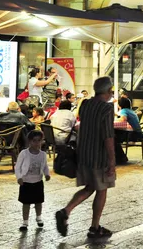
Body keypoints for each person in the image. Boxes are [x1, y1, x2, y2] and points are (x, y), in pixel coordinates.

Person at [55, 76, 116, 239]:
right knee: (102, 189)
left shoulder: (86, 104)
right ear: (108, 90)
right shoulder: (107, 108)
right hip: (99, 156)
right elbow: (108, 136)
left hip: (84, 153)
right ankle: (95, 227)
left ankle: (65, 211)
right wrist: (112, 161)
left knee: (90, 187)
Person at [15, 130, 51, 231]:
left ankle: (38, 217)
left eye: (39, 140)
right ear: (29, 141)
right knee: (26, 203)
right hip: (26, 182)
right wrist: (19, 177)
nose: (37, 143)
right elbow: (17, 167)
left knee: (38, 201)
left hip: (38, 182)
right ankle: (25, 222)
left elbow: (45, 166)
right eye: (34, 141)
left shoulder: (43, 154)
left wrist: (47, 174)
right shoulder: (24, 153)